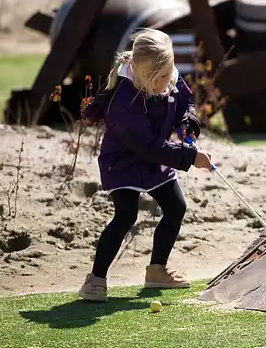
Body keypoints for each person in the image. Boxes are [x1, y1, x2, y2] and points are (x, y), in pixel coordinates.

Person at [77, 28, 213, 302]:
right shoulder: (125, 101)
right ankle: (95, 280)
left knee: (176, 207)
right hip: (124, 161)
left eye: (169, 73)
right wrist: (189, 158)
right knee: (126, 215)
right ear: (142, 73)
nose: (169, 80)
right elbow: (149, 146)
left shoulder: (167, 75)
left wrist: (187, 124)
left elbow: (185, 100)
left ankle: (156, 270)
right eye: (162, 77)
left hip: (156, 159)